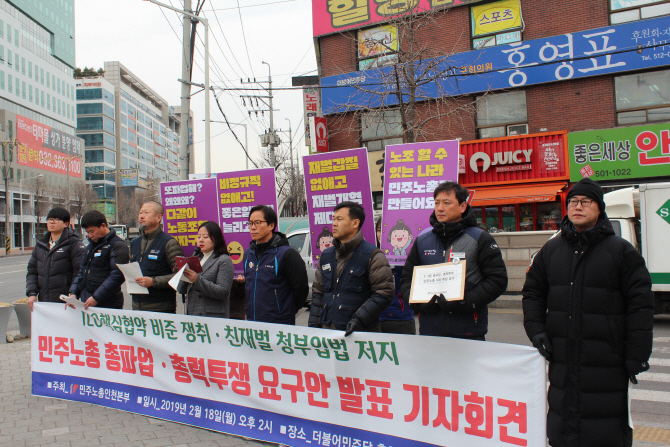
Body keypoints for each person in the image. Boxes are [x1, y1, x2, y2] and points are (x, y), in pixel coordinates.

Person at [522, 178, 654, 447]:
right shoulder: (552, 250)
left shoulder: (621, 251)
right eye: (572, 201)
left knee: (603, 429)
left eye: (585, 202)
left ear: (599, 208)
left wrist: (637, 355)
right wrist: (537, 331)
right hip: (562, 358)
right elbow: (533, 293)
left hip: (607, 360)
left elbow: (640, 306)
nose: (577, 207)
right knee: (563, 424)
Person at [400, 181, 508, 340]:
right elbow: (406, 280)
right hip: (430, 331)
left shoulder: (479, 238)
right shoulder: (422, 241)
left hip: (469, 331)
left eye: (447, 203)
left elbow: (497, 280)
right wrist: (418, 303)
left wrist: (465, 302)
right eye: (436, 203)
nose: (440, 208)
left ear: (463, 207)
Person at [309, 202, 394, 335]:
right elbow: (318, 291)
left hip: (360, 334)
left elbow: (384, 293)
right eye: (333, 219)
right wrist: (314, 324)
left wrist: (358, 320)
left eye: (339, 219)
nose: (334, 224)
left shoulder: (373, 255)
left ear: (355, 223)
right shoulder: (326, 255)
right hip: (328, 334)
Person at [242, 205, 309, 324]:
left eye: (257, 223)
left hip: (279, 323)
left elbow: (301, 290)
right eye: (250, 223)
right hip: (252, 320)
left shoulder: (287, 254)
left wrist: (284, 311)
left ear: (271, 225)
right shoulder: (248, 253)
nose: (252, 227)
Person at [26, 208, 86, 311]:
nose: (52, 222)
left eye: (57, 219)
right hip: (44, 302)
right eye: (49, 219)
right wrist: (32, 293)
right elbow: (32, 271)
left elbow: (79, 272)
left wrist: (73, 294)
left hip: (66, 303)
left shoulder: (74, 244)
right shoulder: (41, 245)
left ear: (66, 223)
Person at [130, 201, 184, 313]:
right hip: (137, 307)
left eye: (146, 213)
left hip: (161, 308)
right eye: (140, 213)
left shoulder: (169, 243)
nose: (141, 216)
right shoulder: (135, 243)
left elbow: (181, 275)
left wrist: (153, 282)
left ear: (158, 217)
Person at [69, 210, 129, 309]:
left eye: (92, 231)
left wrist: (96, 297)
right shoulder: (90, 246)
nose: (90, 235)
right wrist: (73, 293)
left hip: (108, 303)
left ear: (103, 226)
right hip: (87, 301)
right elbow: (82, 272)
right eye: (87, 232)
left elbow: (117, 276)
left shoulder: (117, 245)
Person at [178, 221, 234, 318]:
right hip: (193, 314)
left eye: (205, 237)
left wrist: (197, 280)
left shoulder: (223, 260)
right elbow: (181, 289)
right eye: (199, 236)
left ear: (216, 238)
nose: (201, 240)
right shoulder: (197, 259)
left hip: (212, 316)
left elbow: (223, 292)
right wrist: (183, 275)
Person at [376, 218, 415, 334]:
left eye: (385, 230)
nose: (381, 234)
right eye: (379, 230)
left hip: (401, 318)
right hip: (374, 318)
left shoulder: (408, 256)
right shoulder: (369, 255)